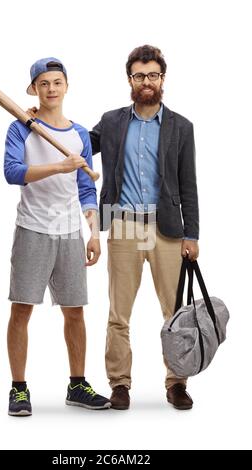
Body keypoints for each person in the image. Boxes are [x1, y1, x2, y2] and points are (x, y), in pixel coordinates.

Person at [89, 45, 199, 410]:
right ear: (130, 80)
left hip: (166, 228)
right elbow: (77, 144)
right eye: (140, 75)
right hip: (123, 224)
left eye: (153, 74)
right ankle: (119, 384)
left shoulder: (181, 127)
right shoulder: (113, 121)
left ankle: (176, 382)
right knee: (119, 313)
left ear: (162, 79)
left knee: (176, 313)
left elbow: (188, 184)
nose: (146, 81)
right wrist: (40, 120)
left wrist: (192, 234)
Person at [4, 57, 111, 416]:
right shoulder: (21, 128)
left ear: (67, 86)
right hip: (32, 228)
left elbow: (86, 190)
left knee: (75, 312)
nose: (51, 89)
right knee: (21, 309)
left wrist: (93, 233)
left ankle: (77, 384)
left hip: (70, 233)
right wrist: (59, 165)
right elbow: (13, 172)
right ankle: (18, 389)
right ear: (34, 88)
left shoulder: (79, 135)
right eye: (44, 83)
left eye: (57, 82)